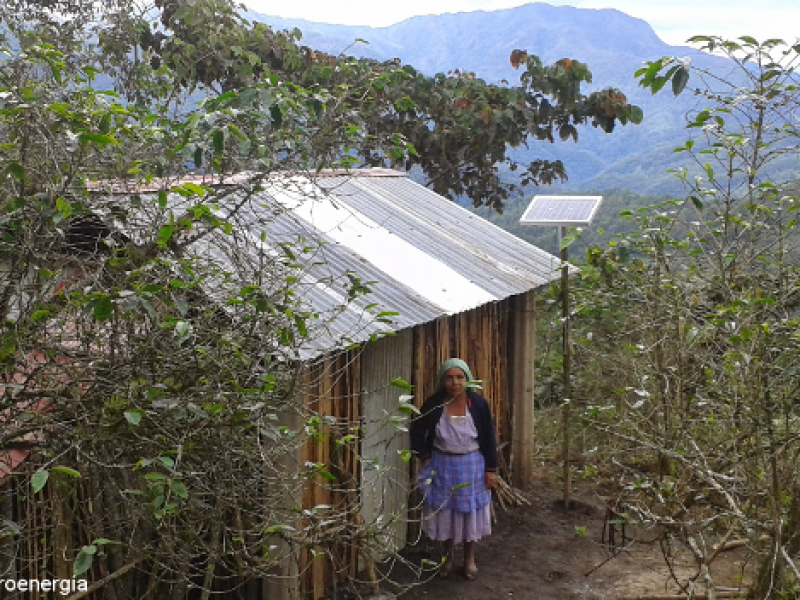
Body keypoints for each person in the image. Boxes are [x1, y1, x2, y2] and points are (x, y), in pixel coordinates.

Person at [409, 358, 498, 581]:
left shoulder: (478, 405)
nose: (454, 382)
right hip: (442, 466)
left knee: (469, 514)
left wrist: (491, 469)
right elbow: (417, 431)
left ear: (467, 380)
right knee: (446, 513)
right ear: (442, 380)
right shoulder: (433, 404)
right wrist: (425, 456)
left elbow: (489, 438)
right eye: (449, 377)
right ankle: (447, 557)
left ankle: (469, 558)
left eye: (459, 377)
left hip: (471, 466)